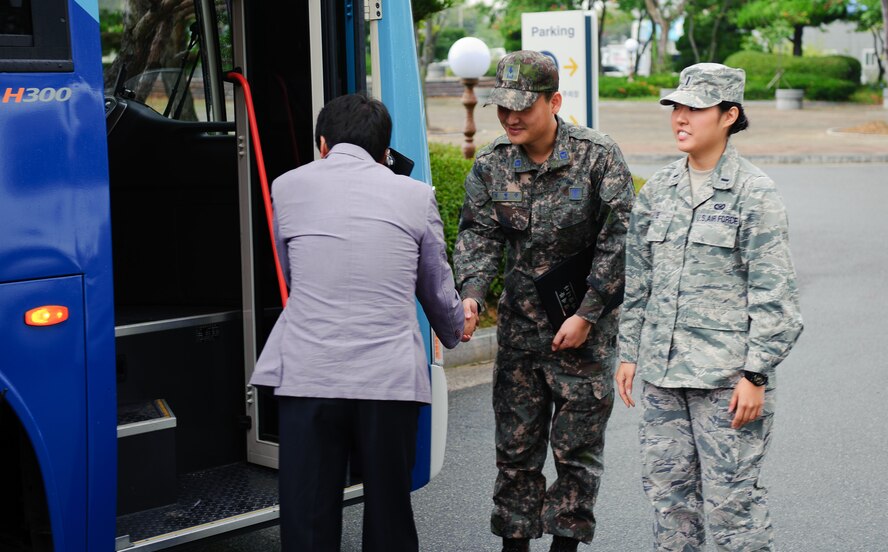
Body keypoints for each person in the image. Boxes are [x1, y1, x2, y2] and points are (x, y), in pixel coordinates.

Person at [249, 93, 466, 552]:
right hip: (388, 381)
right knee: (389, 510)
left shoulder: (286, 187)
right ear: (385, 151)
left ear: (322, 143)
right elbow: (435, 283)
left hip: (308, 374)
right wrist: (455, 328)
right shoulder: (416, 195)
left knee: (308, 513)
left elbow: (290, 276)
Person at [615, 63, 804, 551]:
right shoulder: (658, 191)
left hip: (726, 381)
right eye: (676, 106)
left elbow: (775, 296)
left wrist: (756, 375)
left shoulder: (753, 193)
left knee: (731, 507)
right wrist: (630, 351)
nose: (680, 117)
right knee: (668, 505)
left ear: (728, 115)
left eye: (694, 108)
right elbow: (638, 280)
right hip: (662, 376)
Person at [454, 51, 636, 552]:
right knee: (515, 454)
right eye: (503, 108)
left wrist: (588, 314)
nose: (511, 117)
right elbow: (478, 236)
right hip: (519, 340)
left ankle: (564, 547)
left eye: (523, 108)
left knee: (576, 456)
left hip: (583, 339)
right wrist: (471, 295)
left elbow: (621, 241)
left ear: (554, 102)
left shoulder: (597, 156)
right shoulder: (492, 165)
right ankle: (514, 545)